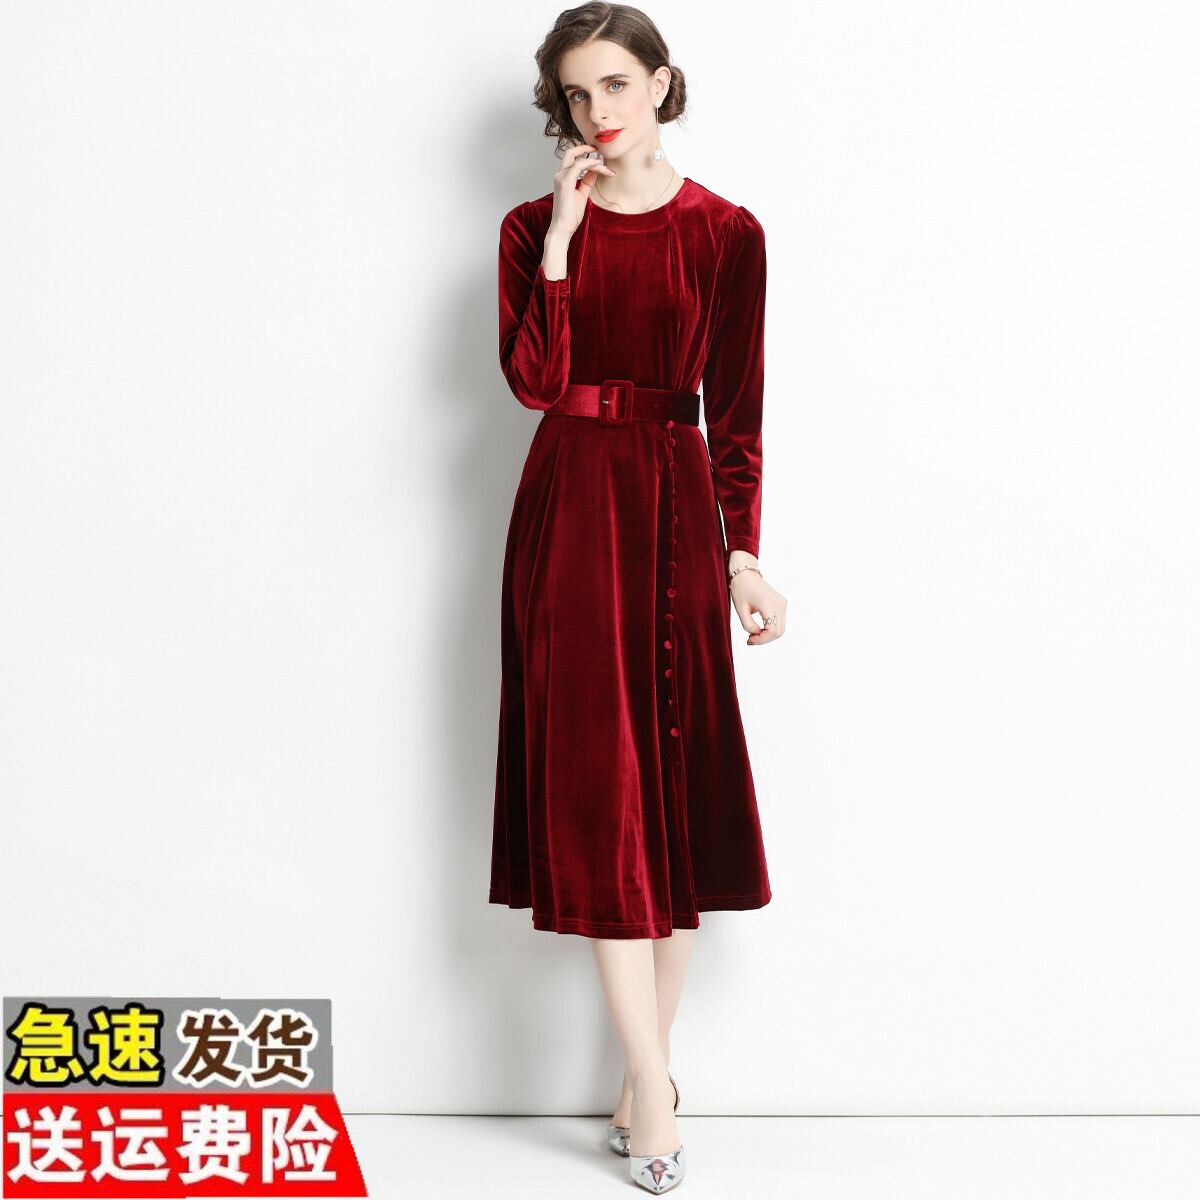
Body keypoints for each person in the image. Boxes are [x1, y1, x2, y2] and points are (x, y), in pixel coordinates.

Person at [488, 4, 788, 1192]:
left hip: (676, 513)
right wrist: (564, 243)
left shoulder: (727, 233)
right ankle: (655, 1093)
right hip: (568, 513)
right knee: (603, 796)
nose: (597, 110)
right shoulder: (529, 228)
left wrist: (742, 556)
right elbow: (534, 382)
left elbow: (740, 411)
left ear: (662, 84)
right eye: (576, 94)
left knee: (674, 797)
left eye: (616, 83)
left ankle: (640, 1076)